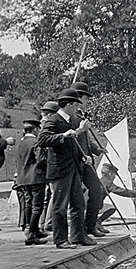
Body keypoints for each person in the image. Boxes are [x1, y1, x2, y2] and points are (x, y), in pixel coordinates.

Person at [37, 89, 95, 249]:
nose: (78, 108)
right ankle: (61, 240)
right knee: (59, 206)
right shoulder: (54, 120)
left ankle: (78, 236)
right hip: (60, 170)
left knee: (78, 204)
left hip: (74, 168)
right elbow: (42, 139)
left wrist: (83, 157)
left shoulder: (71, 122)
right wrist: (63, 136)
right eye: (76, 105)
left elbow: (72, 145)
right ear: (69, 105)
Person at [70, 82, 108, 238]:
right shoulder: (72, 117)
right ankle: (82, 230)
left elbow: (86, 139)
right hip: (78, 161)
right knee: (77, 197)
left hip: (88, 160)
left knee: (97, 190)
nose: (88, 102)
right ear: (78, 98)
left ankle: (90, 225)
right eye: (86, 99)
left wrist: (97, 149)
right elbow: (73, 138)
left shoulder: (80, 116)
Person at [15, 119, 49, 245]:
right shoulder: (36, 142)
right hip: (36, 177)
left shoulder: (20, 143)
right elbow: (41, 160)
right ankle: (31, 235)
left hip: (23, 179)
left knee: (28, 203)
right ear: (35, 130)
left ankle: (32, 229)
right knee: (38, 206)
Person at [96, 163, 136, 232]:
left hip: (89, 205)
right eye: (114, 175)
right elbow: (121, 191)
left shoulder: (98, 181)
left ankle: (96, 223)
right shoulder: (108, 183)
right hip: (96, 207)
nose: (115, 177)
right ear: (110, 174)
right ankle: (98, 223)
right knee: (113, 208)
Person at [37, 101, 60, 232]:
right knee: (52, 195)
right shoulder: (47, 126)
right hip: (46, 165)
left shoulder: (40, 126)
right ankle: (49, 222)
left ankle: (43, 222)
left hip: (42, 167)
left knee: (47, 196)